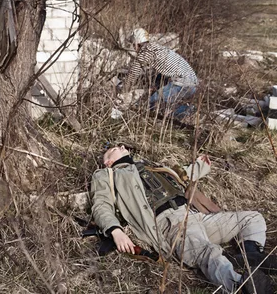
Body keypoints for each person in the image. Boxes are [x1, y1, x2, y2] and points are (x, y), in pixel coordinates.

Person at [90, 145, 276, 293]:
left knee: (252, 218)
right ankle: (240, 287)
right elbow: (101, 205)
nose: (121, 145)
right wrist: (115, 230)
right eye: (114, 148)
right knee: (208, 252)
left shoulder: (150, 166)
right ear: (108, 162)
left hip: (195, 216)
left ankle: (251, 259)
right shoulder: (107, 175)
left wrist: (201, 166)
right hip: (168, 224)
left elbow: (181, 176)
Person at [122, 28, 198, 120]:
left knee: (151, 104)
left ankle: (188, 110)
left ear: (137, 43)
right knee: (164, 106)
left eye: (133, 45)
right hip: (192, 82)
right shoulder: (157, 48)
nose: (134, 48)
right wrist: (155, 86)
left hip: (182, 83)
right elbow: (163, 73)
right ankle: (183, 113)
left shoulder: (145, 52)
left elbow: (132, 74)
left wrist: (123, 91)